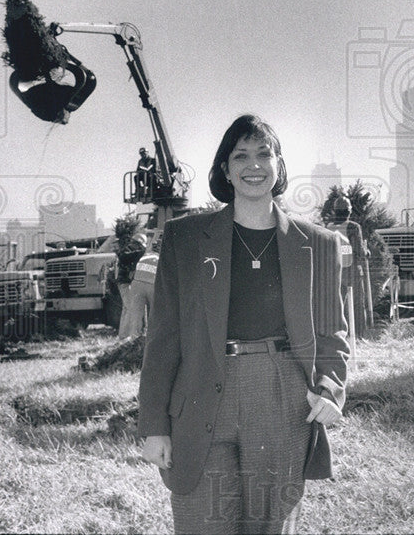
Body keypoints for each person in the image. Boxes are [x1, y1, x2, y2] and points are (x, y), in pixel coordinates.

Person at [138, 115, 350, 534]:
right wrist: (154, 426)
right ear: (225, 170)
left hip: (283, 397)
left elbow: (332, 335)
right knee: (203, 522)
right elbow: (163, 338)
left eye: (263, 154)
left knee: (270, 527)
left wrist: (329, 388)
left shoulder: (320, 244)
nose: (254, 165)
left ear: (279, 165)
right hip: (200, 394)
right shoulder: (184, 237)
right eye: (241, 156)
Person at [325, 196, 373, 337]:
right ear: (349, 211)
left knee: (337, 305)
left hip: (335, 271)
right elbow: (359, 251)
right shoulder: (353, 227)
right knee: (357, 303)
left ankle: (338, 334)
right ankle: (358, 335)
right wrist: (367, 252)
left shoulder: (329, 227)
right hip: (352, 270)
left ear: (335, 211)